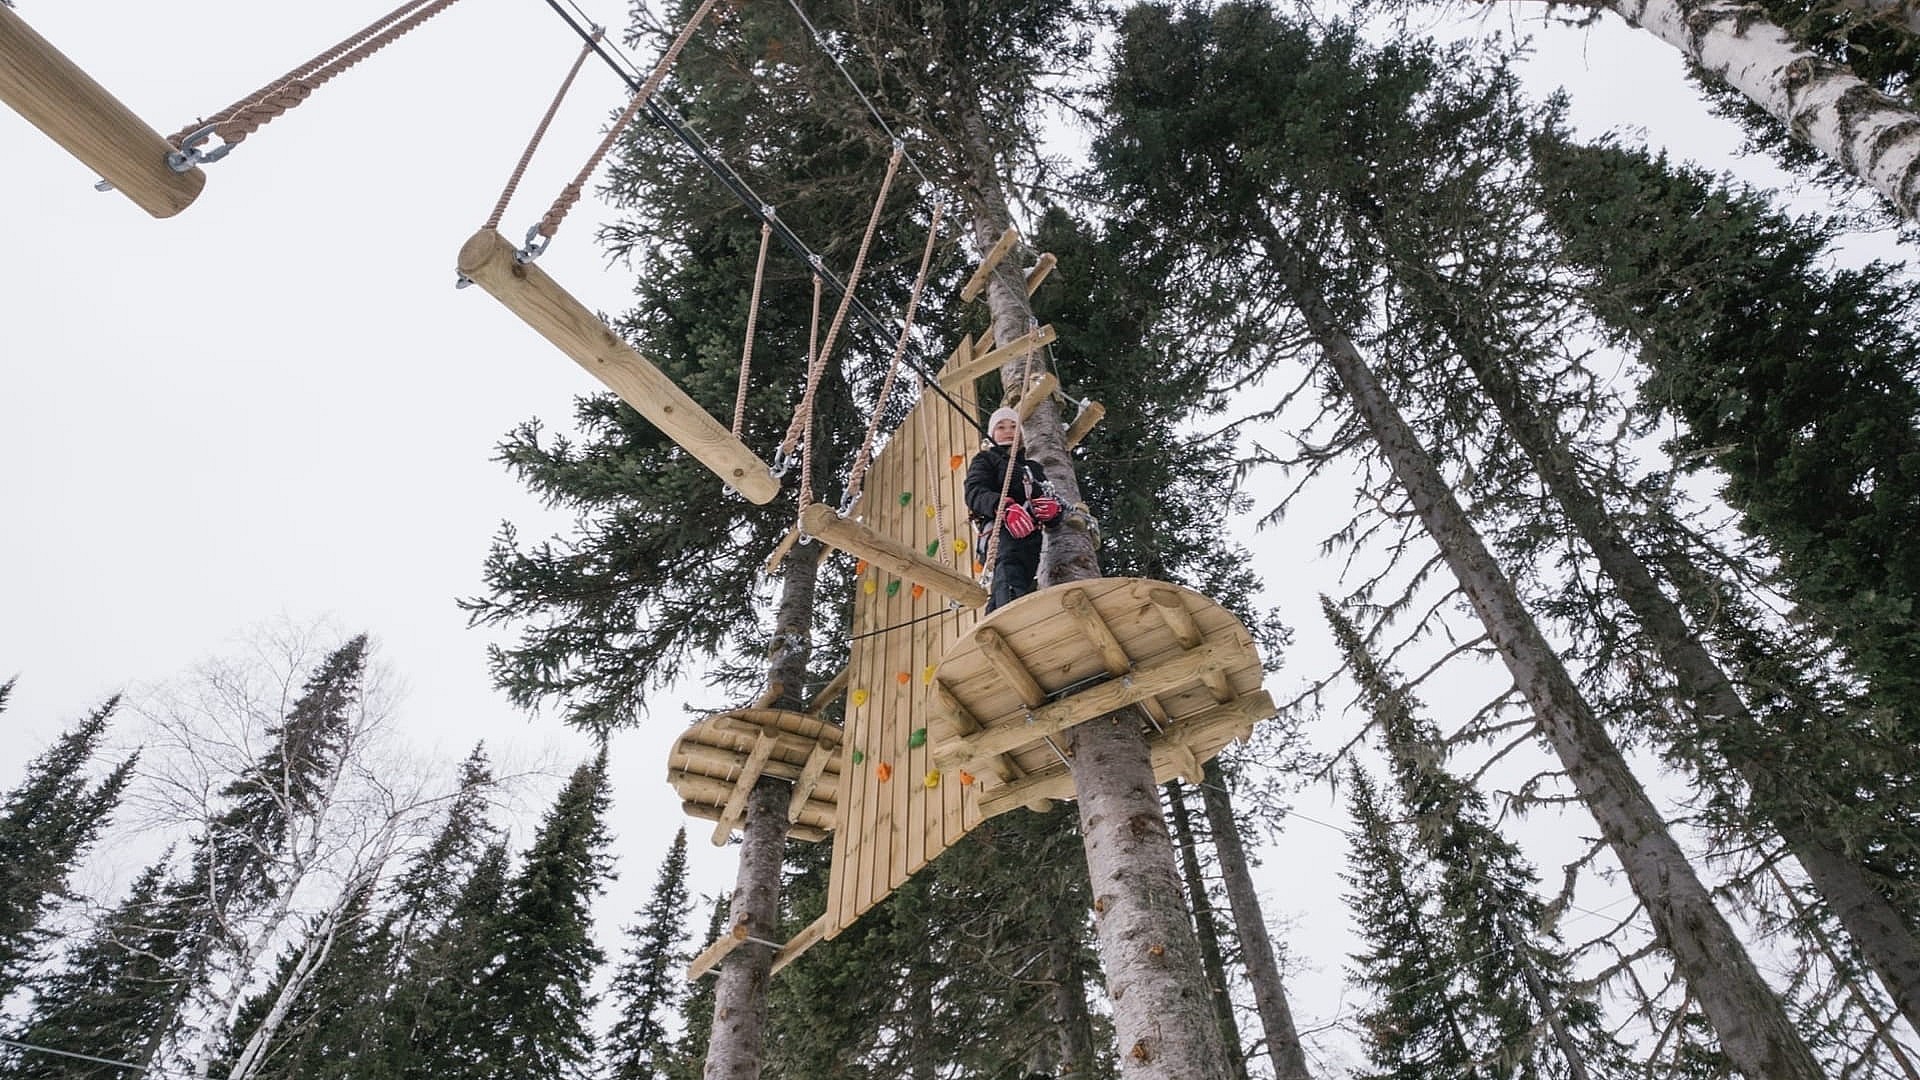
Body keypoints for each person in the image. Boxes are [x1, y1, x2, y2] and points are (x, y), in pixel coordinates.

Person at [965, 406, 1063, 612]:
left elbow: (1045, 497)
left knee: (1023, 576)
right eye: (1001, 427)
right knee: (1009, 566)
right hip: (1000, 529)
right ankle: (1013, 614)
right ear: (992, 433)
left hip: (1030, 534)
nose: (1008, 430)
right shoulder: (986, 460)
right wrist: (1003, 506)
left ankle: (996, 617)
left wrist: (1053, 512)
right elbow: (974, 492)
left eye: (1013, 426)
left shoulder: (1032, 468)